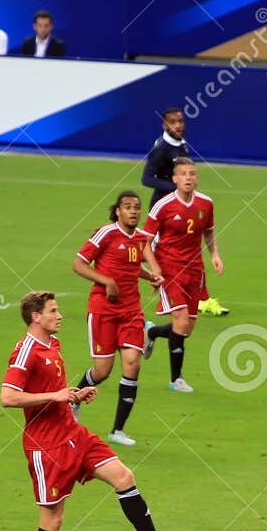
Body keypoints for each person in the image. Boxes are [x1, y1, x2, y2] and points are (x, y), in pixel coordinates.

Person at [1, 292, 196, 531]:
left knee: (123, 476)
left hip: (73, 433)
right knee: (53, 519)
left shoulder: (53, 345)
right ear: (36, 316)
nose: (60, 315)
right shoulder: (26, 351)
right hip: (45, 446)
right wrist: (55, 395)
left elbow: (56, 394)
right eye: (53, 311)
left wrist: (74, 395)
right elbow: (7, 396)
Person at [71, 191, 163, 447]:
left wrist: (151, 277)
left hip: (131, 311)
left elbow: (133, 268)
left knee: (132, 364)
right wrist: (106, 281)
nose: (133, 211)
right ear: (118, 211)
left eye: (137, 207)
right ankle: (73, 401)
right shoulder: (106, 233)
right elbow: (78, 264)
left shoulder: (140, 238)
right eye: (128, 207)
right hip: (103, 310)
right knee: (102, 371)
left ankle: (117, 431)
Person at [141, 159, 223, 393]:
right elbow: (145, 241)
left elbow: (208, 232)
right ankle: (175, 379)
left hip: (195, 269)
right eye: (184, 174)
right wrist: (155, 269)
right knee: (180, 320)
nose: (189, 178)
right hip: (170, 268)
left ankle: (152, 332)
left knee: (187, 328)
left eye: (192, 174)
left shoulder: (206, 203)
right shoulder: (163, 206)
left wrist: (215, 254)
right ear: (174, 179)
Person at [141, 109, 228, 317]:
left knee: (192, 251)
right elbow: (146, 178)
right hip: (166, 210)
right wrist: (176, 188)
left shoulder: (179, 143)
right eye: (173, 122)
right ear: (164, 126)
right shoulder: (161, 148)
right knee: (162, 255)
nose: (178, 125)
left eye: (180, 121)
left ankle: (201, 299)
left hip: (183, 207)